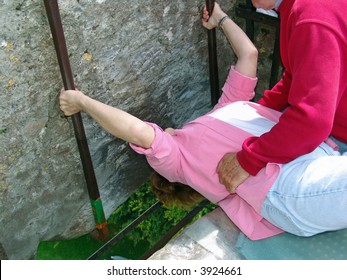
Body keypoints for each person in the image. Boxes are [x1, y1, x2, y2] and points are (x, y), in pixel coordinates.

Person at [59, 3, 347, 240]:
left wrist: (219, 18)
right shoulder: (180, 160)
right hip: (286, 189)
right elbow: (138, 130)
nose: (167, 131)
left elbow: (249, 55)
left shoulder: (223, 114)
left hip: (310, 160)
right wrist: (82, 101)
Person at [217, 0, 347, 193]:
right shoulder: (297, 7)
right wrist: (257, 112)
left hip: (339, 136)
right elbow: (295, 77)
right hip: (333, 121)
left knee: (267, 192)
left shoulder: (311, 19)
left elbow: (312, 121)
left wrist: (249, 160)